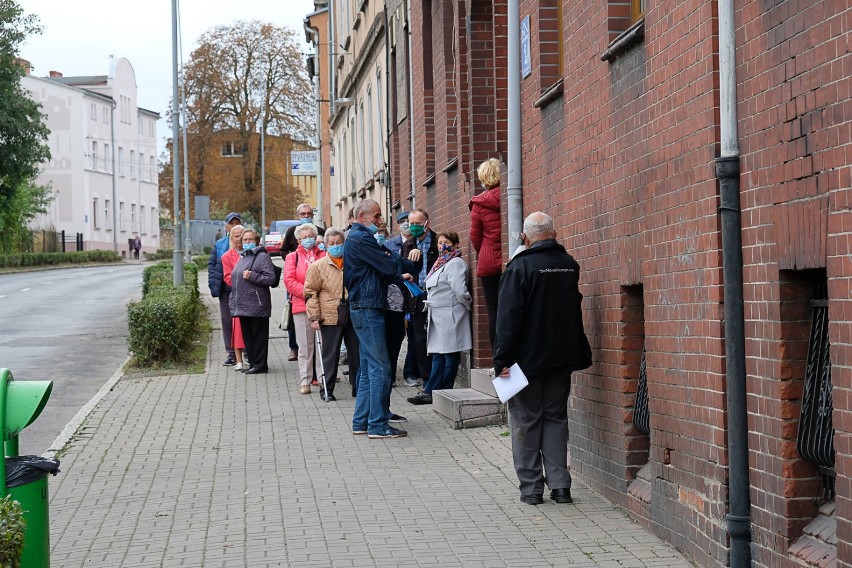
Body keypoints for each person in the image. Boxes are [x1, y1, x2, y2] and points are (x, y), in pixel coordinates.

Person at [493, 212, 592, 506]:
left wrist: (502, 360)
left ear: (525, 238)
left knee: (525, 421)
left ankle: (532, 489)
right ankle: (561, 486)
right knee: (556, 419)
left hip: (524, 362)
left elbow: (508, 319)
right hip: (561, 359)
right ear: (555, 233)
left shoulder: (519, 268)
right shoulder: (569, 266)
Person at [345, 199, 418, 439]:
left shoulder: (356, 238)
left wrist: (397, 265)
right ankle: (377, 424)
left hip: (363, 306)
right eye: (376, 216)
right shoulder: (361, 238)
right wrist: (405, 263)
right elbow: (386, 265)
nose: (380, 221)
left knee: (367, 367)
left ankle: (362, 421)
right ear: (363, 216)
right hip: (368, 307)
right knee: (380, 367)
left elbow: (384, 267)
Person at [407, 231, 472, 405]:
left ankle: (443, 390)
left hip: (450, 315)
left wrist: (467, 305)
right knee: (437, 355)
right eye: (440, 242)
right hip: (438, 315)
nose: (443, 245)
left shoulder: (456, 263)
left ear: (456, 244)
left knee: (449, 355)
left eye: (447, 242)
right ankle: (432, 390)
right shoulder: (439, 263)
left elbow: (459, 289)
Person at [304, 228, 360, 402]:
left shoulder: (353, 262)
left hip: (353, 313)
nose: (336, 246)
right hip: (329, 315)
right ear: (326, 245)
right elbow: (310, 292)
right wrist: (314, 317)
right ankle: (327, 389)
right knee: (330, 354)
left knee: (356, 354)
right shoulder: (317, 267)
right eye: (332, 243)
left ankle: (358, 388)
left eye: (339, 243)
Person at [284, 222, 326, 394]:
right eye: (304, 237)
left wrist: (319, 295)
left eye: (311, 236)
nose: (308, 240)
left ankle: (324, 378)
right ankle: (305, 380)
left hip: (324, 305)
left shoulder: (324, 254)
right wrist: (308, 294)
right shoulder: (292, 257)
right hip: (301, 305)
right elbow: (289, 280)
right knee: (305, 346)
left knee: (323, 345)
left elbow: (330, 276)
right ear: (298, 240)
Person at [400, 208, 439, 385]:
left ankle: (435, 373)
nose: (413, 227)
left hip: (435, 295)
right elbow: (403, 270)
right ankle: (427, 377)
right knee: (419, 338)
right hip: (415, 296)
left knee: (434, 336)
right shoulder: (408, 245)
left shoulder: (437, 242)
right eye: (411, 223)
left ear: (426, 223)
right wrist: (410, 259)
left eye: (417, 223)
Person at [281, 204, 325, 362]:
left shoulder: (320, 231)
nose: (306, 215)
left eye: (309, 213)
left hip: (320, 293)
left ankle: (322, 370)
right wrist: (293, 259)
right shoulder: (291, 231)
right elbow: (283, 250)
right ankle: (294, 347)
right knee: (296, 321)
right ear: (298, 214)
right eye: (303, 213)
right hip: (298, 286)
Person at [230, 229, 277, 374]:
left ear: (257, 241)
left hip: (258, 305)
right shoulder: (243, 257)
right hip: (243, 305)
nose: (247, 242)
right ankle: (253, 363)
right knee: (248, 337)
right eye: (245, 240)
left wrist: (253, 276)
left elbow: (271, 278)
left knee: (259, 337)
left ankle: (260, 365)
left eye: (250, 239)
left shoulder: (262, 257)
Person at [469, 158, 502, 351]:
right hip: (511, 260)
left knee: (494, 311)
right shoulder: (511, 194)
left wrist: (485, 252)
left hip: (489, 263)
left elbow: (475, 237)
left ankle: (499, 358)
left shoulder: (479, 203)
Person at [208, 211, 243, 366]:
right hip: (226, 288)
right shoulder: (220, 244)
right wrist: (213, 284)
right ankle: (231, 353)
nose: (235, 226)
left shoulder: (247, 241)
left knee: (243, 321)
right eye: (232, 223)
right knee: (227, 321)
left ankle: (246, 351)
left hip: (243, 289)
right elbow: (212, 265)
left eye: (237, 223)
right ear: (227, 226)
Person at [221, 225, 248, 371]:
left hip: (252, 297)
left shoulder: (252, 253)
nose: (239, 238)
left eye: (242, 235)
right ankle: (239, 359)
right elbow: (227, 278)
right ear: (232, 239)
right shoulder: (226, 256)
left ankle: (251, 355)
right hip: (237, 296)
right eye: (236, 236)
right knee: (237, 327)